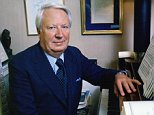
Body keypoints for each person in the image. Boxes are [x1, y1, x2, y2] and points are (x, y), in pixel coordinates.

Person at [8, 2, 141, 115]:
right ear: (39, 31)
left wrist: (119, 75)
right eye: (52, 27)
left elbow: (98, 74)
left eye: (65, 27)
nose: (60, 34)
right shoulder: (21, 64)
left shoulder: (73, 54)